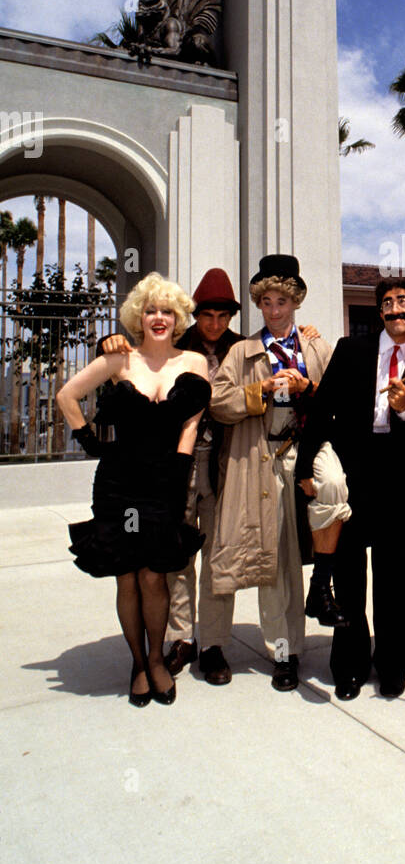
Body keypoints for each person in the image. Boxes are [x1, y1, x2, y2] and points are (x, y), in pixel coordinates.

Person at [57, 273, 210, 707]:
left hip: (165, 483)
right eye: (149, 311)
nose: (158, 318)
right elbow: (67, 396)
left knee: (154, 573)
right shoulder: (120, 360)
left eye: (166, 311)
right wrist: (93, 446)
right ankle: (138, 663)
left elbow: (191, 422)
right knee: (127, 572)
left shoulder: (193, 363)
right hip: (120, 486)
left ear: (178, 318)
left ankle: (159, 659)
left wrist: (178, 476)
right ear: (137, 317)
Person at [99, 268, 247, 685]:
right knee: (173, 556)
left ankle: (214, 643)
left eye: (224, 315)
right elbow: (132, 359)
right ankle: (182, 639)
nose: (215, 323)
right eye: (207, 314)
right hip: (171, 468)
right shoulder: (174, 345)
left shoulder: (243, 349)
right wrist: (105, 341)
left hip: (222, 465)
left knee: (218, 557)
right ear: (193, 315)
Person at [208, 255, 350, 692]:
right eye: (266, 301)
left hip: (307, 451)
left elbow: (340, 400)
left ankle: (322, 583)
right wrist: (261, 390)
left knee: (334, 489)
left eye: (282, 301)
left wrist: (309, 389)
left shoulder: (318, 348)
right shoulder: (241, 351)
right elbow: (218, 402)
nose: (274, 310)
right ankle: (284, 653)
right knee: (277, 560)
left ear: (296, 302)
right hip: (261, 456)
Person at [296, 277, 405, 700]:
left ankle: (393, 664)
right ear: (379, 312)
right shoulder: (351, 349)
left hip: (393, 471)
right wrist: (305, 468)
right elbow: (320, 408)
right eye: (387, 303)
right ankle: (349, 664)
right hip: (351, 466)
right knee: (349, 571)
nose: (395, 311)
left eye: (403, 302)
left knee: (393, 570)